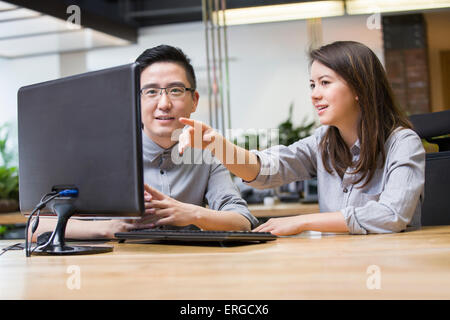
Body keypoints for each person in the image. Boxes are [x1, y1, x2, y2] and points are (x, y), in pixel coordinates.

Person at [178, 41, 425, 236]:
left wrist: (303, 221)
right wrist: (217, 144)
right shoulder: (323, 142)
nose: (314, 95)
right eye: (312, 85)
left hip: (392, 266)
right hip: (341, 263)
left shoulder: (402, 143)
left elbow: (392, 215)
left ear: (360, 88)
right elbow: (266, 171)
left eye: (325, 83)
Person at [32, 45, 257, 241]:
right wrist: (109, 228)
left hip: (188, 275)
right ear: (134, 100)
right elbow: (38, 226)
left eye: (175, 90)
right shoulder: (101, 155)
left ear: (194, 100)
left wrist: (190, 214)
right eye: (151, 91)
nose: (164, 103)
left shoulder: (207, 154)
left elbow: (242, 221)